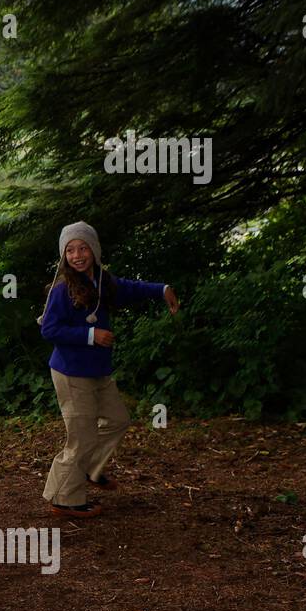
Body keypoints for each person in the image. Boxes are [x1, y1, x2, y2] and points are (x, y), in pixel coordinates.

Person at [37, 221, 180, 517]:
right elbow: (49, 330)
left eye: (83, 248)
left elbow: (130, 288)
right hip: (71, 373)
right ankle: (65, 497)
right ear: (64, 255)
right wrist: (90, 336)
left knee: (118, 419)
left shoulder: (101, 281)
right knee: (81, 437)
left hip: (97, 371)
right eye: (71, 250)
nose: (77, 255)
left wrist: (161, 290)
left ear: (95, 250)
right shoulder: (62, 289)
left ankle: (89, 469)